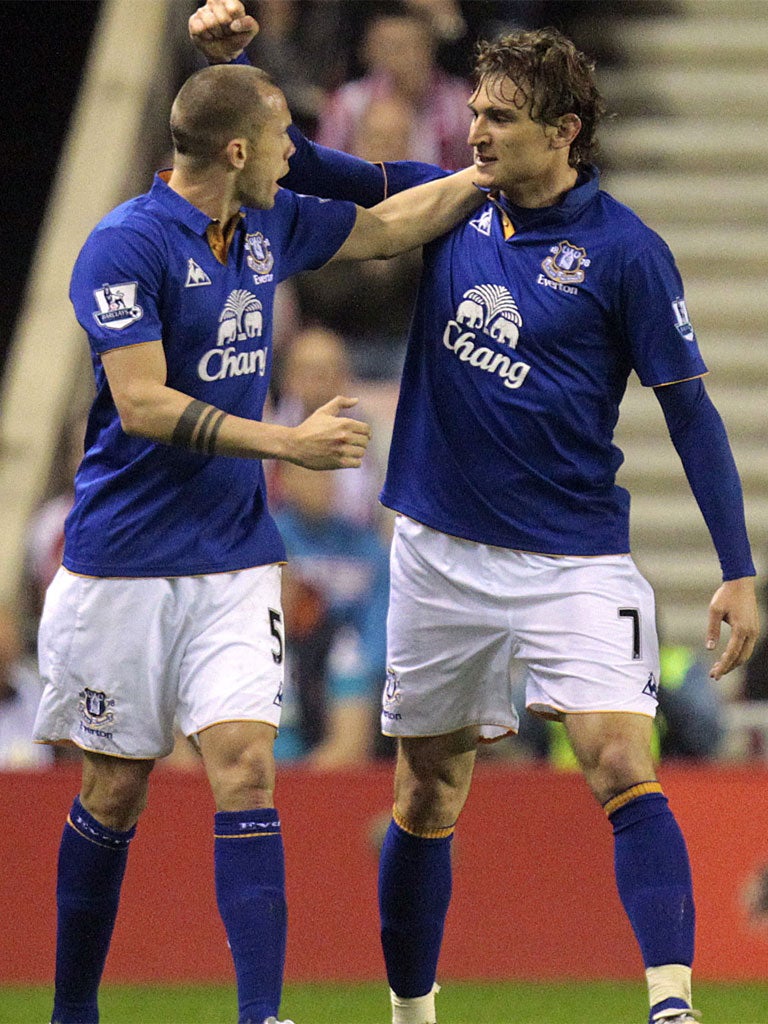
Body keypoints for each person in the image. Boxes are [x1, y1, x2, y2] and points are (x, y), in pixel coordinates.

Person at [189, 6, 760, 1024]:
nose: (480, 132)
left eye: (502, 116)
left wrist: (737, 566)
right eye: (480, 111)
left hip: (574, 556)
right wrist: (243, 68)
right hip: (440, 555)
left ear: (565, 130)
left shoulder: (627, 252)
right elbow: (319, 168)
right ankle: (414, 1012)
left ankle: (673, 1005)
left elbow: (692, 410)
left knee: (622, 755)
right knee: (423, 796)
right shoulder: (452, 205)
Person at [32, 51, 482, 1024]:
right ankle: (71, 1010)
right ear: (238, 150)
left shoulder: (268, 218)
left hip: (233, 554)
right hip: (121, 561)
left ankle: (261, 1013)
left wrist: (487, 177)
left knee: (245, 761)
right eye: (283, 139)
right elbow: (142, 402)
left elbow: (383, 225)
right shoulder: (125, 243)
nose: (298, 153)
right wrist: (289, 439)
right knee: (114, 790)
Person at [271, 459, 390, 767]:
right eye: (310, 475)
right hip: (277, 656)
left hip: (344, 674)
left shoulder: (365, 546)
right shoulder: (266, 539)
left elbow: (379, 629)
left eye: (328, 476)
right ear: (285, 481)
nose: (322, 485)